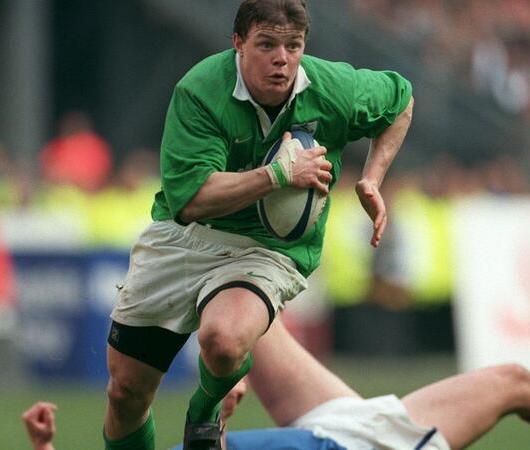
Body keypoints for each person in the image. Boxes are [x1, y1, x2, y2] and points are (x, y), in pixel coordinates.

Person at [103, 0, 414, 449]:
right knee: (125, 393)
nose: (282, 59)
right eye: (267, 45)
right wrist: (278, 175)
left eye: (293, 46)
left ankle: (205, 412)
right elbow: (192, 200)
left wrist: (372, 177)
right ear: (238, 43)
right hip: (184, 237)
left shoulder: (332, 88)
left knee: (225, 340)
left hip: (268, 249)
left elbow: (401, 99)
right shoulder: (200, 90)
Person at [26, 319, 530, 450]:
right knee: (514, 383)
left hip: (324, 428)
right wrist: (216, 415)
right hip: (367, 447)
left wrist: (45, 449)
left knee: (240, 312)